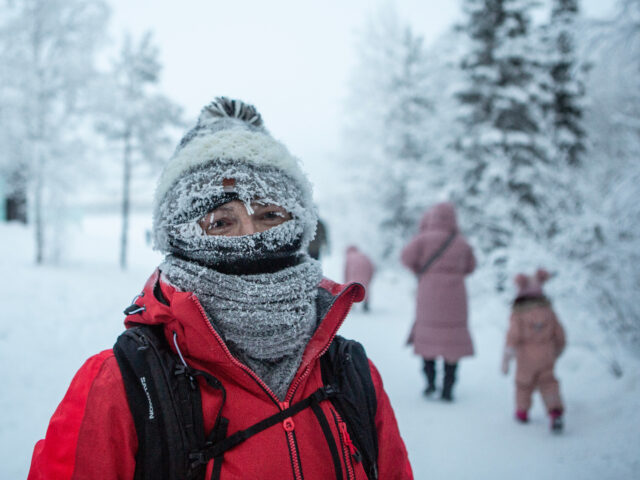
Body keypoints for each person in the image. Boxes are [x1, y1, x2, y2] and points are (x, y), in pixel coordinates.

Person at [28, 97, 413, 479]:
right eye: (220, 223)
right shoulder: (122, 386)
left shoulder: (351, 374)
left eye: (269, 216)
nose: (251, 238)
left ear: (299, 227)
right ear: (178, 237)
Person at [401, 202, 475, 401]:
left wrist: (421, 269)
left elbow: (405, 257)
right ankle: (448, 387)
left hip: (429, 293)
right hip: (456, 298)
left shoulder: (423, 239)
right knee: (453, 343)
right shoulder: (462, 242)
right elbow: (471, 266)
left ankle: (430, 383)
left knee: (428, 339)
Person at [502, 268, 566, 432]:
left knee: (523, 384)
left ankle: (522, 412)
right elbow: (559, 333)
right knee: (549, 383)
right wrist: (558, 349)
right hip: (547, 354)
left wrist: (507, 356)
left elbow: (513, 335)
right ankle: (555, 411)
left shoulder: (518, 314)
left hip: (525, 357)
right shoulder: (548, 312)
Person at [344, 245, 375, 312]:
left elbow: (346, 271)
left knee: (352, 287)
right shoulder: (364, 256)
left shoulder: (349, 257)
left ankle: (351, 303)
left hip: (354, 273)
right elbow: (371, 267)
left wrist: (345, 282)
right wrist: (370, 278)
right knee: (365, 287)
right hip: (365, 272)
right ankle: (366, 304)